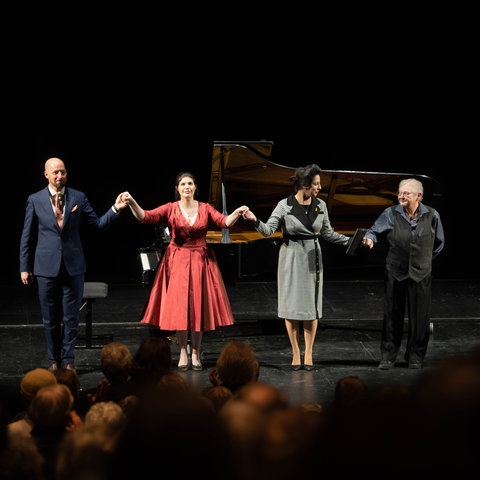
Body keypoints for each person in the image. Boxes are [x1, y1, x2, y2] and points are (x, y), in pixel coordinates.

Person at [121, 171, 249, 372]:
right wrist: (131, 202)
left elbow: (224, 222)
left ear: (195, 187)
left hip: (200, 260)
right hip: (177, 261)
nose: (187, 187)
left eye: (190, 184)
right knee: (181, 308)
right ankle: (182, 351)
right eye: (183, 184)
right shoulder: (171, 208)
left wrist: (237, 212)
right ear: (177, 188)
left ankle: (196, 352)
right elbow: (146, 216)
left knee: (197, 307)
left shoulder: (205, 208)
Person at [19, 157, 128, 373]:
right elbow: (27, 235)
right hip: (45, 267)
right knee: (50, 318)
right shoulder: (35, 199)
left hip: (73, 266)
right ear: (46, 175)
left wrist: (115, 208)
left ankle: (68, 360)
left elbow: (97, 225)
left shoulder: (78, 196)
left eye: (63, 172)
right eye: (56, 172)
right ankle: (53, 360)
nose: (60, 176)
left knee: (71, 317)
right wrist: (24, 266)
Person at [243, 164, 350, 370]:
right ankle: (295, 352)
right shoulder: (284, 205)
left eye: (319, 184)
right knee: (291, 306)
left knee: (311, 307)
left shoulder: (321, 206)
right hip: (291, 257)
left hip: (312, 256)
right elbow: (268, 230)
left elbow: (328, 233)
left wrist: (352, 241)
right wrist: (254, 219)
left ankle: (308, 352)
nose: (319, 188)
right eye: (316, 184)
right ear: (304, 185)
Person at [362, 178, 445, 370]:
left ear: (419, 196)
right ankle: (388, 356)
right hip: (395, 271)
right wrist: (369, 238)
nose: (401, 196)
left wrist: (423, 260)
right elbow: (374, 230)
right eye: (400, 192)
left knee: (420, 318)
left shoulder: (432, 215)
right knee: (392, 314)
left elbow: (439, 244)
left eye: (406, 193)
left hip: (421, 273)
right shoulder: (390, 213)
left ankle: (415, 356)